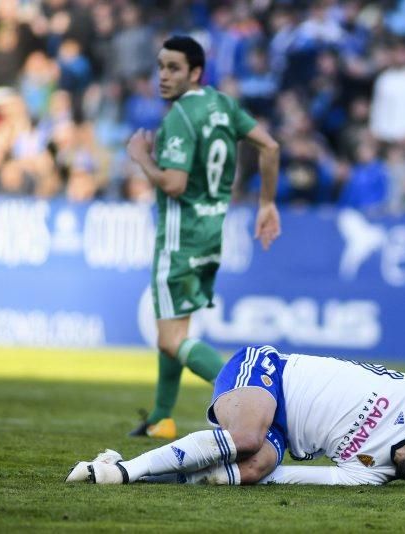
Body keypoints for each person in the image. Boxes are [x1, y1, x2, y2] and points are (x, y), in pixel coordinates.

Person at [66, 200, 405, 487]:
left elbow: (291, 474)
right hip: (270, 372)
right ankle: (126, 473)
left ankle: (125, 468)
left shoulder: (369, 476)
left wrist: (237, 473)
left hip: (283, 435)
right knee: (245, 438)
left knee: (254, 467)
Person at [125, 36, 281, 439]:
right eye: (160, 66)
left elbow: (174, 184)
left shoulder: (180, 116)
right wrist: (267, 203)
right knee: (175, 333)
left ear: (195, 72)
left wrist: (141, 157)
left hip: (179, 240)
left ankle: (258, 398)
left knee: (172, 339)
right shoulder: (223, 104)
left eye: (173, 68)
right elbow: (269, 145)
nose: (163, 75)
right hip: (211, 237)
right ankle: (161, 417)